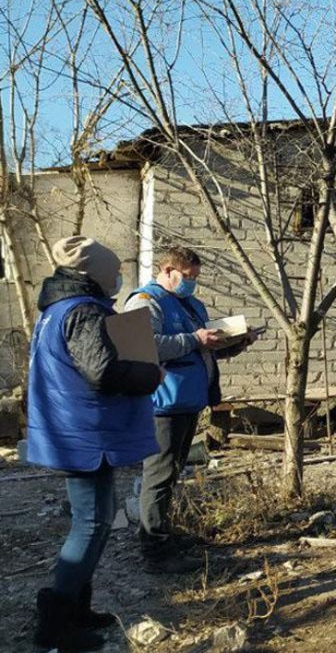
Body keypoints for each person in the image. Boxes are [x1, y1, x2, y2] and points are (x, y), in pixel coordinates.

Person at [26, 237, 162, 651]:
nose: (118, 277)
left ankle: (76, 610)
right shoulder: (83, 311)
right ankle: (55, 625)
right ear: (94, 275)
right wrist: (149, 374)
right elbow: (102, 372)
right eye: (113, 271)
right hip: (84, 435)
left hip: (74, 431)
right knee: (91, 523)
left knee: (94, 522)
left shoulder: (57, 310)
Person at [124, 245, 256, 573]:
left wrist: (235, 341)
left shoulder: (190, 304)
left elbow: (203, 350)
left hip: (189, 401)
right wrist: (194, 340)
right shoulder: (143, 301)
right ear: (167, 271)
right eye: (187, 276)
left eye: (195, 277)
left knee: (171, 474)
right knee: (158, 475)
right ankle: (154, 551)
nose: (192, 283)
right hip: (161, 404)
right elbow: (139, 348)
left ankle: (165, 535)